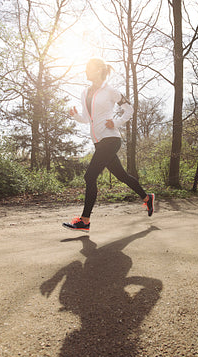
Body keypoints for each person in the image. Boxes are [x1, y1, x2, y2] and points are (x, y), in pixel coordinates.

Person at [63, 58, 154, 231]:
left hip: (111, 139)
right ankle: (147, 198)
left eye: (89, 68)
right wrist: (75, 115)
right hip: (98, 142)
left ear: (98, 70)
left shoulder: (110, 91)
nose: (86, 71)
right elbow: (86, 119)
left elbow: (129, 109)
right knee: (122, 176)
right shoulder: (85, 93)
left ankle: (85, 220)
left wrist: (117, 122)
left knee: (89, 177)